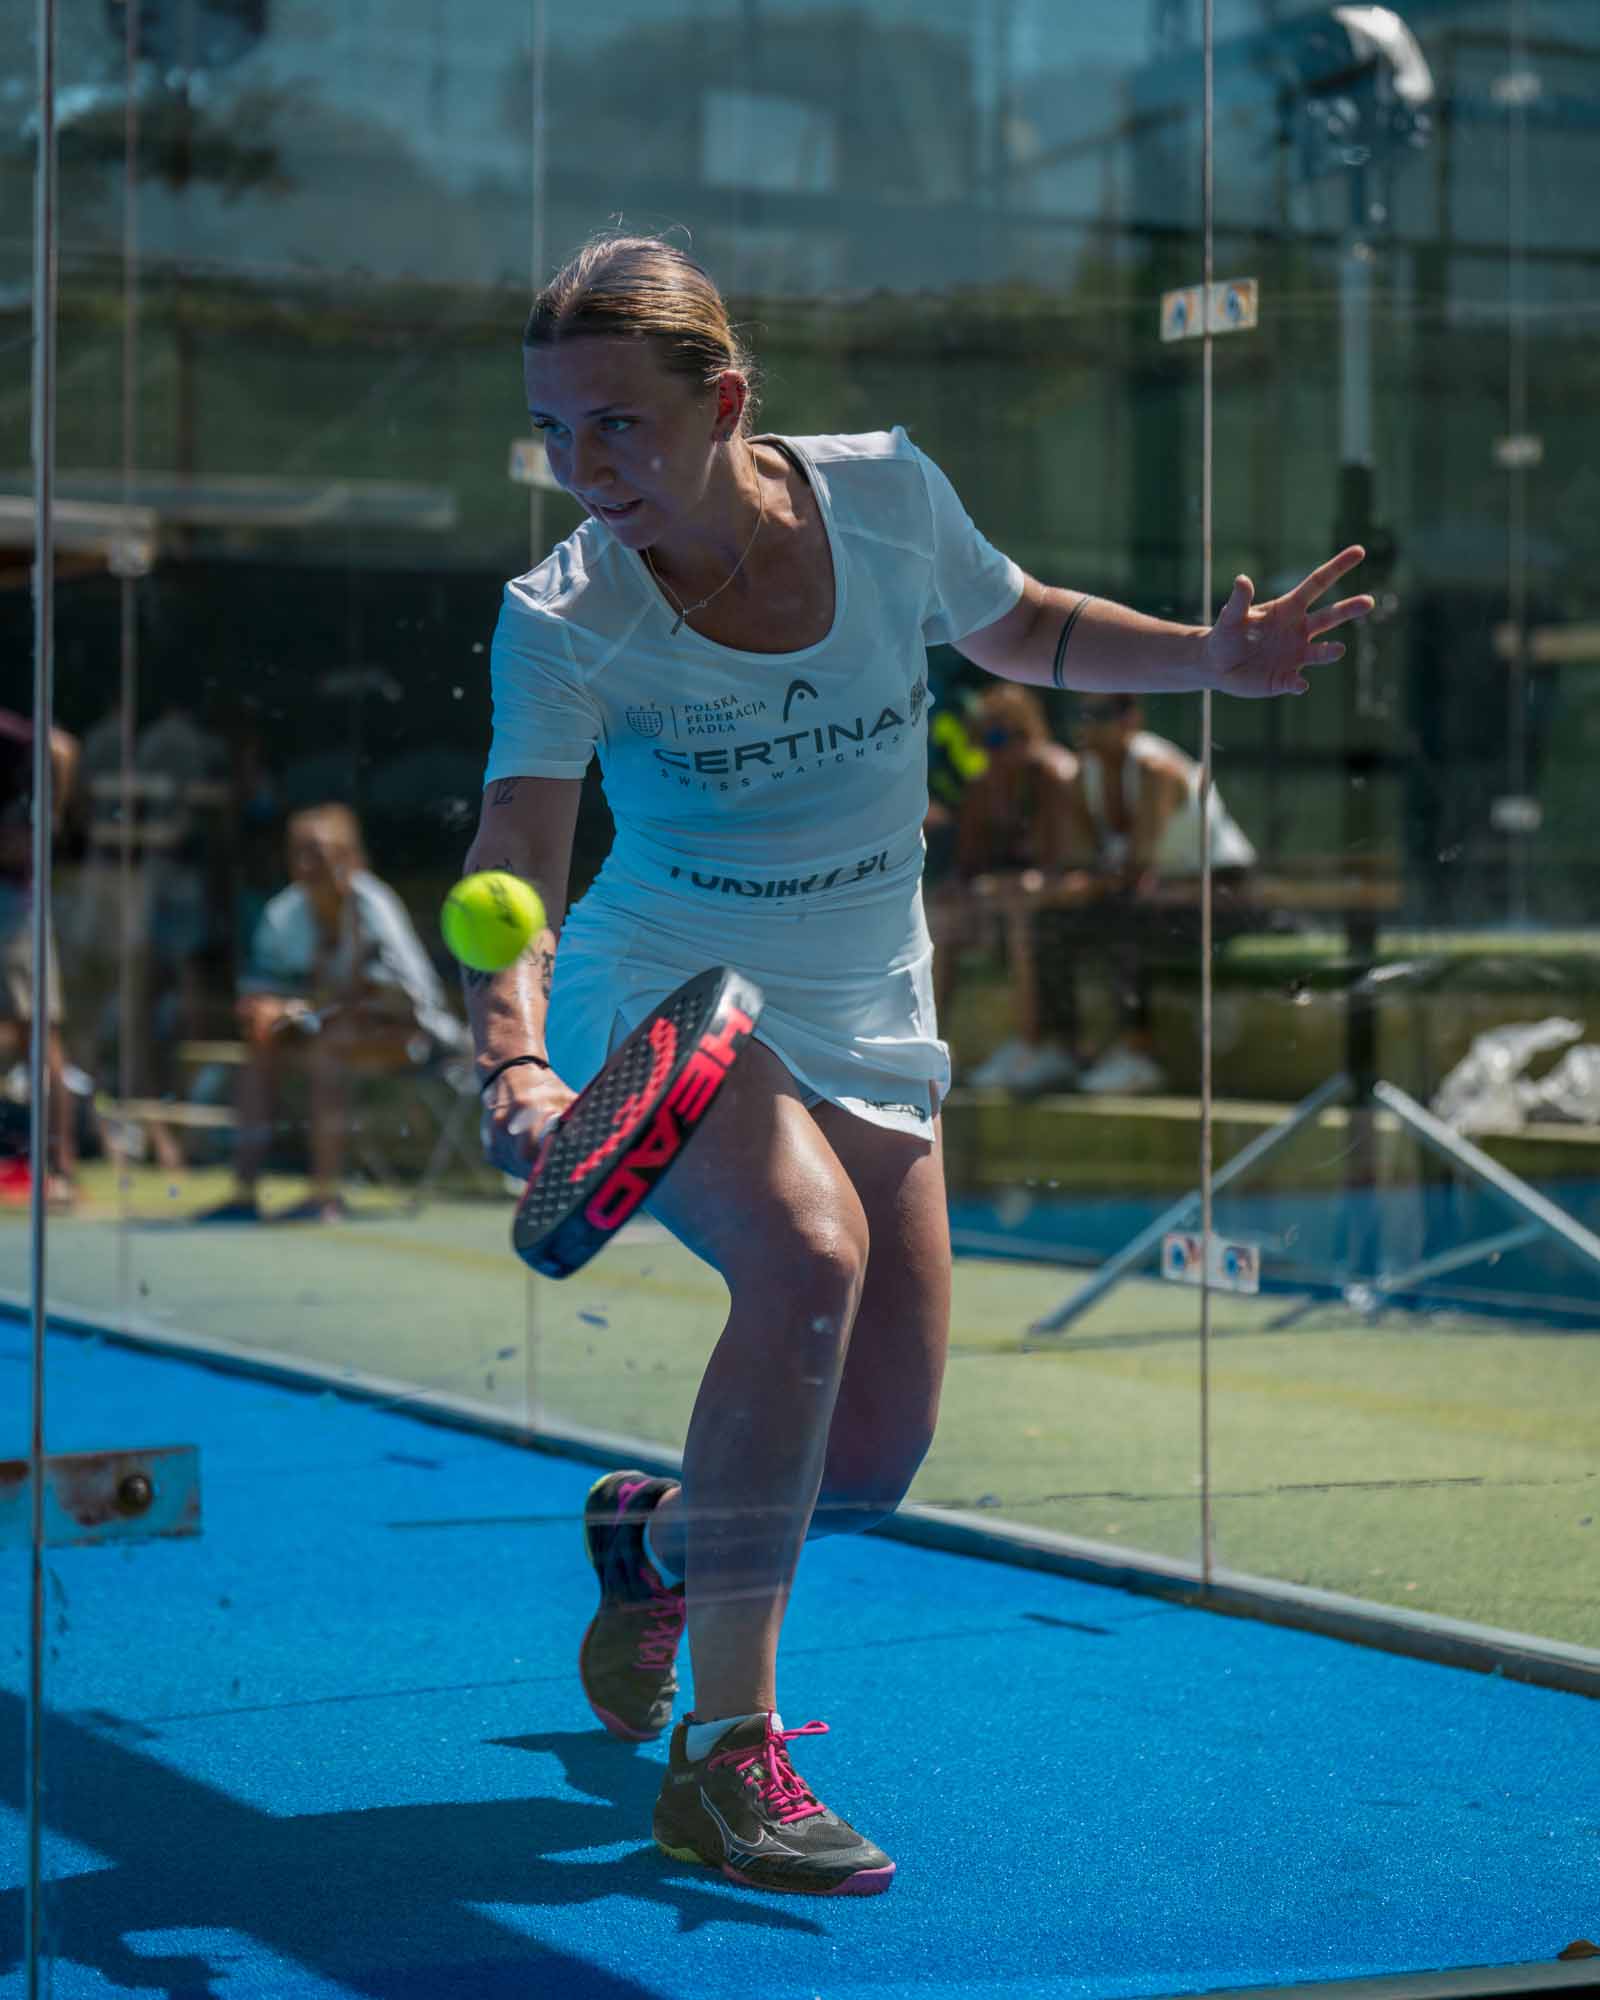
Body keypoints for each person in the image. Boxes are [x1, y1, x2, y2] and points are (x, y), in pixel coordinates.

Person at [464, 232, 1373, 1896]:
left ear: (725, 403)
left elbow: (1020, 625)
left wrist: (1209, 656)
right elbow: (516, 851)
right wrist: (515, 1060)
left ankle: (655, 1542)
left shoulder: (884, 495)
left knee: (872, 1461)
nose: (585, 469)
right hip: (665, 982)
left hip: (867, 993)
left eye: (618, 425)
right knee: (807, 1257)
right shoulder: (562, 614)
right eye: (556, 432)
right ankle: (727, 1759)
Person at [199, 802, 467, 1222]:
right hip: (325, 1032)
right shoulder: (284, 913)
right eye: (298, 853)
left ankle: (325, 1196)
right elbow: (261, 991)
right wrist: (266, 1010)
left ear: (350, 858)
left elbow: (403, 1002)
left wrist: (309, 1007)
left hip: (412, 1039)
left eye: (318, 853)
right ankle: (243, 1194)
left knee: (329, 1050)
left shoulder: (374, 907)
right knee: (261, 1049)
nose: (307, 865)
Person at [1051, 691, 1260, 1095]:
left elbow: (1136, 866)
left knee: (1127, 919)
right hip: (1157, 896)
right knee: (1055, 920)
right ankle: (1060, 1049)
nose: (1086, 723)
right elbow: (1081, 857)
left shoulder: (1155, 769)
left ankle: (1138, 1053)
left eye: (1100, 713)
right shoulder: (1082, 775)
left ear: (1131, 718)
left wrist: (1082, 884)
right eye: (1081, 712)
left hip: (1223, 896)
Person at [929, 681, 1087, 1094]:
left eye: (1013, 737)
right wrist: (966, 888)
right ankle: (932, 1047)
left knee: (1020, 915)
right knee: (944, 919)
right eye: (991, 739)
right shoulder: (983, 787)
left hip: (1072, 890)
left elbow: (1061, 862)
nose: (1000, 749)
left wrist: (1003, 886)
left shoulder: (1055, 776)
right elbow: (967, 865)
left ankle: (1029, 1046)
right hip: (1007, 895)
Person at [0, 707, 80, 1208]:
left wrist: (46, 821)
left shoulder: (7, 735)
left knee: (38, 1033)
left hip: (11, 902)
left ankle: (59, 1167)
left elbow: (61, 747)